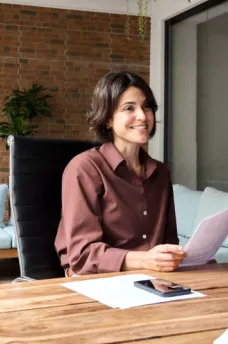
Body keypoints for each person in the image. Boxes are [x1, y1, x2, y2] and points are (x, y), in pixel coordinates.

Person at [55, 71, 186, 276]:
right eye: (129, 108)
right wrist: (145, 260)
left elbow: (169, 241)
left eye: (147, 107)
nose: (142, 116)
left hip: (153, 277)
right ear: (108, 119)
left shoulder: (161, 173)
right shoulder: (85, 169)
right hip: (97, 279)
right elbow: (83, 256)